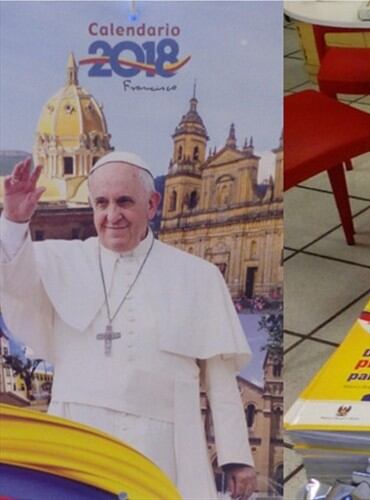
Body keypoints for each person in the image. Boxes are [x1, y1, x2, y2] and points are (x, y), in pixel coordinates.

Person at [0, 155, 256, 499]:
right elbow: (13, 281)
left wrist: (236, 457)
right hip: (81, 434)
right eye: (101, 203)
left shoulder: (199, 276)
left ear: (152, 204)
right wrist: (15, 221)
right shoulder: (61, 260)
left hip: (165, 443)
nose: (111, 215)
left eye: (124, 201)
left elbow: (221, 378)